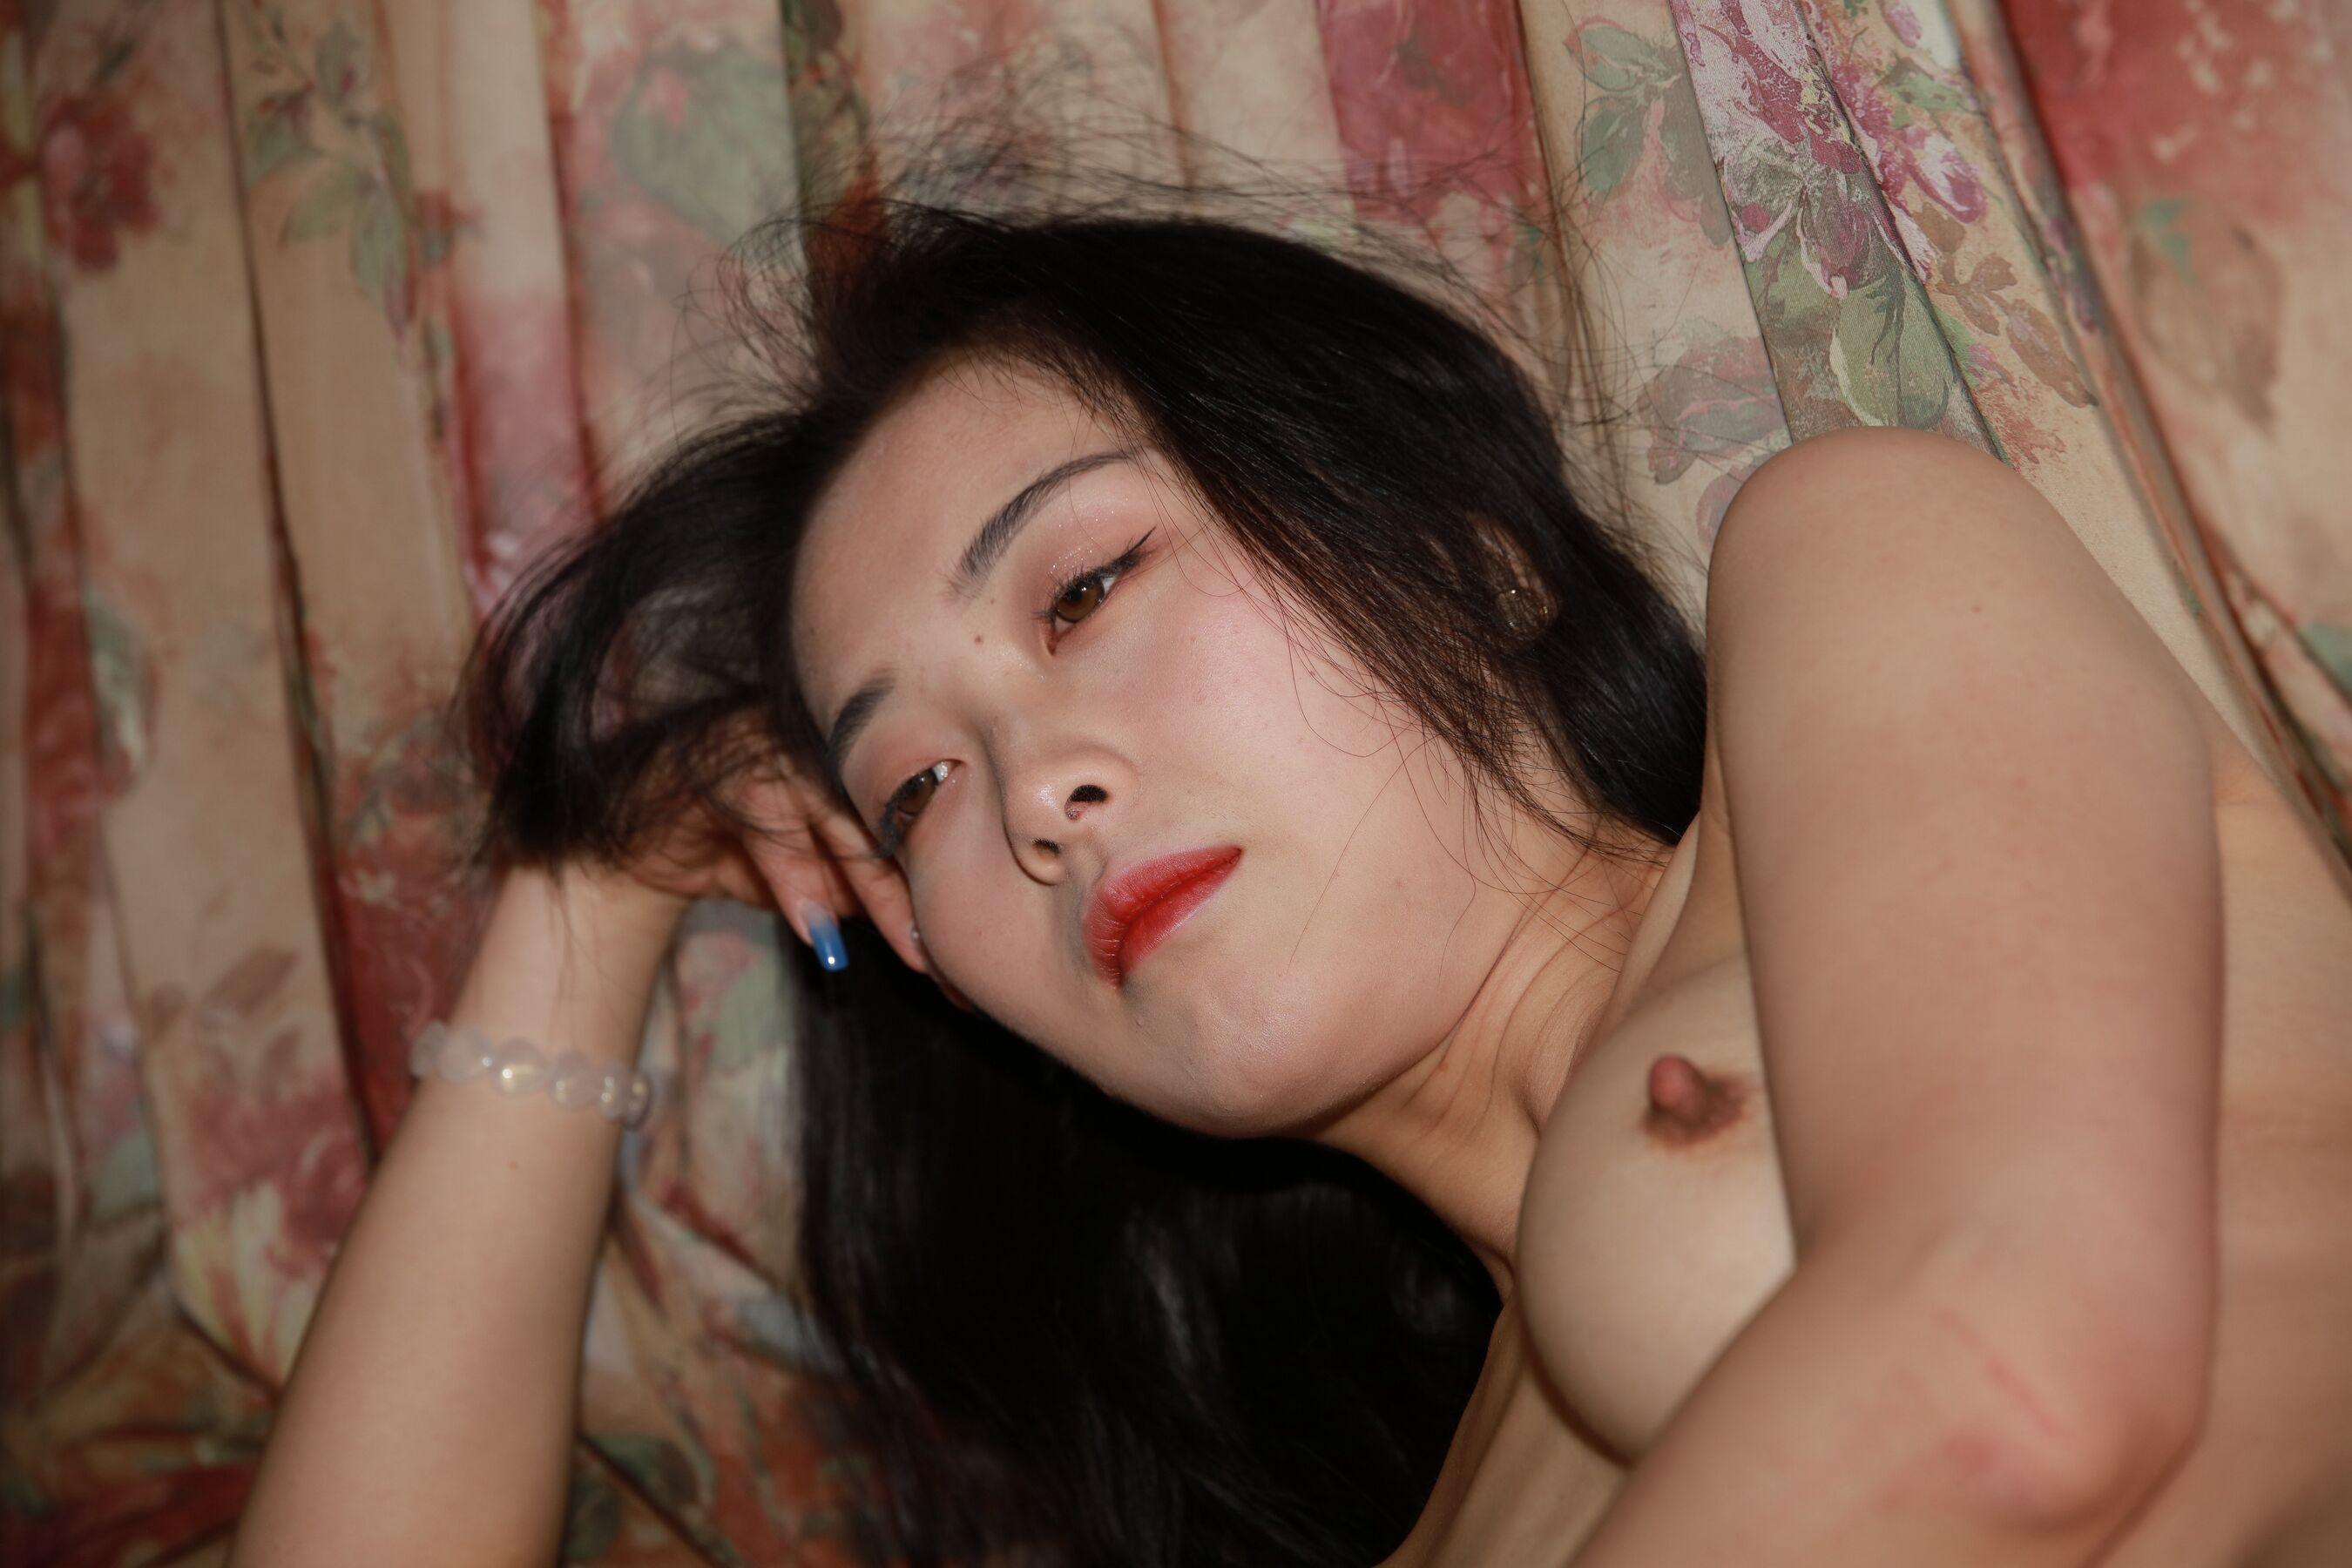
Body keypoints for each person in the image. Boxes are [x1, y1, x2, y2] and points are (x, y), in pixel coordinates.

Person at [227, 189, 2352, 1567]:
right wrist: (588, 893)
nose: (1034, 794)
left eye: (1084, 587)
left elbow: (2014, 1372)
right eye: (917, 789)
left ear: (1471, 548)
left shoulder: (1860, 560)